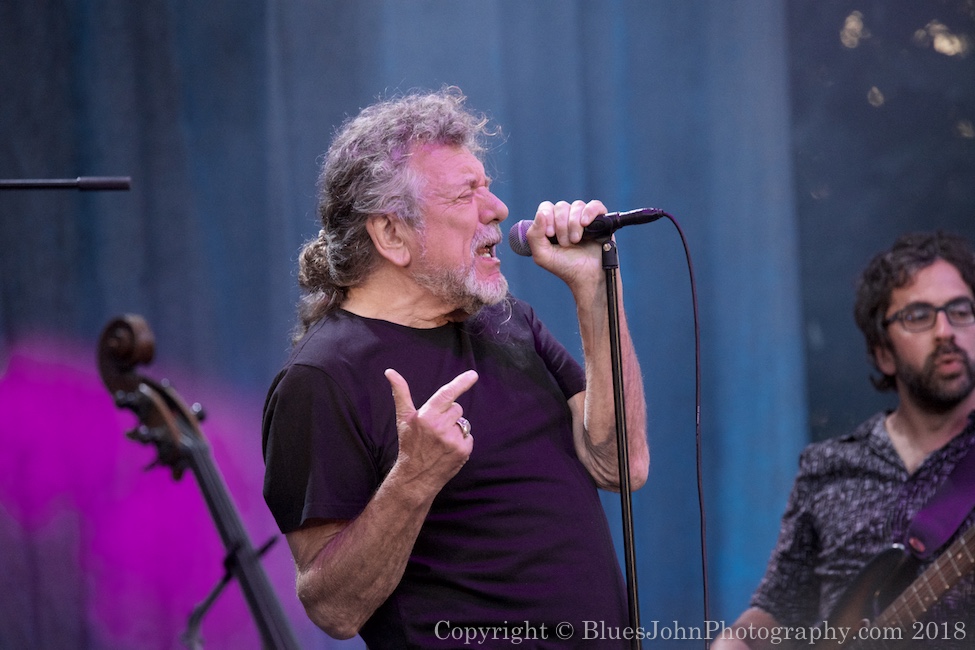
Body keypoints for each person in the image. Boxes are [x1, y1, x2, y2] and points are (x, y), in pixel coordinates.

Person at [261, 87, 649, 648]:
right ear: (391, 234)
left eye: (487, 188)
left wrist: (595, 289)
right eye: (467, 195)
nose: (497, 210)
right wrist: (413, 479)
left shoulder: (506, 321)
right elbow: (333, 608)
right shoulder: (321, 379)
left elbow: (621, 466)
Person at [714, 231, 975, 649]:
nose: (946, 331)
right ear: (882, 353)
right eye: (919, 316)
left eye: (960, 310)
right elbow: (778, 608)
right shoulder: (828, 466)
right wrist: (736, 643)